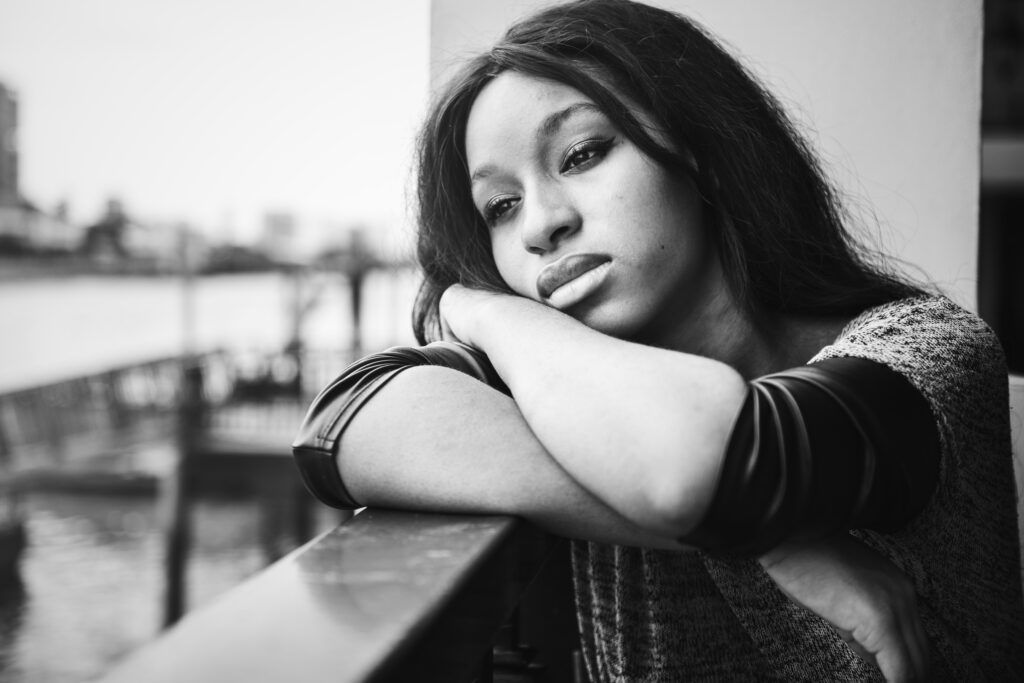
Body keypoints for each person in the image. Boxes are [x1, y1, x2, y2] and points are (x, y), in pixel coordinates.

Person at [292, 1, 1024, 679]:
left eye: (581, 154)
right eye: (501, 206)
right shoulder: (570, 392)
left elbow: (706, 464)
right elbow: (341, 421)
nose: (541, 224)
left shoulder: (928, 351)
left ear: (700, 147)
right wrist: (771, 536)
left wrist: (477, 310)